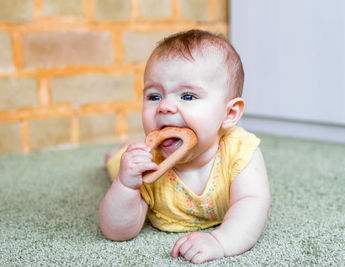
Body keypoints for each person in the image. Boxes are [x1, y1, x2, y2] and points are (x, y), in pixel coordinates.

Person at [99, 29, 270, 264]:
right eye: (154, 96)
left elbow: (253, 203)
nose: (165, 107)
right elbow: (117, 232)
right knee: (121, 161)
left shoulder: (240, 150)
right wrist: (126, 184)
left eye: (187, 96)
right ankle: (114, 155)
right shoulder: (148, 164)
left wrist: (221, 241)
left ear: (229, 114)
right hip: (130, 165)